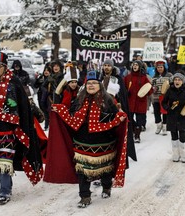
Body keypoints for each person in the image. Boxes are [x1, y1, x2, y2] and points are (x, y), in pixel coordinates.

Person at [50, 70, 128, 208]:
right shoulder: (79, 100)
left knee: (105, 169)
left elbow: (116, 118)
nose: (91, 85)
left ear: (100, 85)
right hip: (82, 141)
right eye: (89, 83)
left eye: (94, 83)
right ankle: (85, 196)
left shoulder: (109, 101)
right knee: (82, 171)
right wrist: (60, 109)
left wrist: (120, 118)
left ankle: (106, 186)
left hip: (104, 141)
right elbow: (71, 115)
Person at [0, 51, 43, 204]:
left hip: (10, 129)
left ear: (5, 67)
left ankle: (4, 190)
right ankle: (6, 184)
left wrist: (27, 121)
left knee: (4, 159)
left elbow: (23, 105)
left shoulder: (14, 83)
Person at [99, 59, 137, 162]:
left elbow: (122, 96)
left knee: (115, 135)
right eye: (105, 65)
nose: (106, 67)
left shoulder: (118, 79)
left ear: (112, 67)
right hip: (102, 111)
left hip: (115, 110)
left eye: (108, 65)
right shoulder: (100, 78)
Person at [161, 72, 185, 163]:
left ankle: (184, 154)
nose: (177, 81)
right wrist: (168, 109)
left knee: (183, 136)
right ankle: (175, 155)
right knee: (174, 136)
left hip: (183, 117)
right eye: (175, 79)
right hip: (172, 117)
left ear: (182, 81)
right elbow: (164, 102)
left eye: (179, 80)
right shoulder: (170, 90)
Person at [124, 60, 153, 143]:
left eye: (137, 65)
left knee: (140, 121)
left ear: (140, 67)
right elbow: (122, 88)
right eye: (134, 65)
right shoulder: (127, 77)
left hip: (141, 103)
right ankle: (134, 130)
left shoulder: (144, 78)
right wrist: (126, 92)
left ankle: (137, 135)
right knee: (129, 119)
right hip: (130, 102)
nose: (135, 66)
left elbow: (150, 89)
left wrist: (146, 91)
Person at [151, 60, 173, 135]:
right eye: (158, 67)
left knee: (165, 112)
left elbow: (172, 85)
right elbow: (152, 86)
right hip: (156, 97)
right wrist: (154, 88)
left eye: (161, 67)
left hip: (165, 97)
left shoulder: (169, 75)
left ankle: (164, 127)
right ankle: (158, 125)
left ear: (164, 67)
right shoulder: (154, 77)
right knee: (156, 112)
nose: (160, 68)